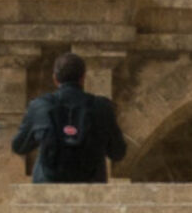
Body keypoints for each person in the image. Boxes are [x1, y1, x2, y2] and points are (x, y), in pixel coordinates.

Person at [11, 51, 127, 183]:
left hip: (48, 186)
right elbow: (118, 152)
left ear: (55, 78)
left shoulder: (39, 106)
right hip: (90, 187)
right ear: (83, 78)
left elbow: (19, 146)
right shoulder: (101, 107)